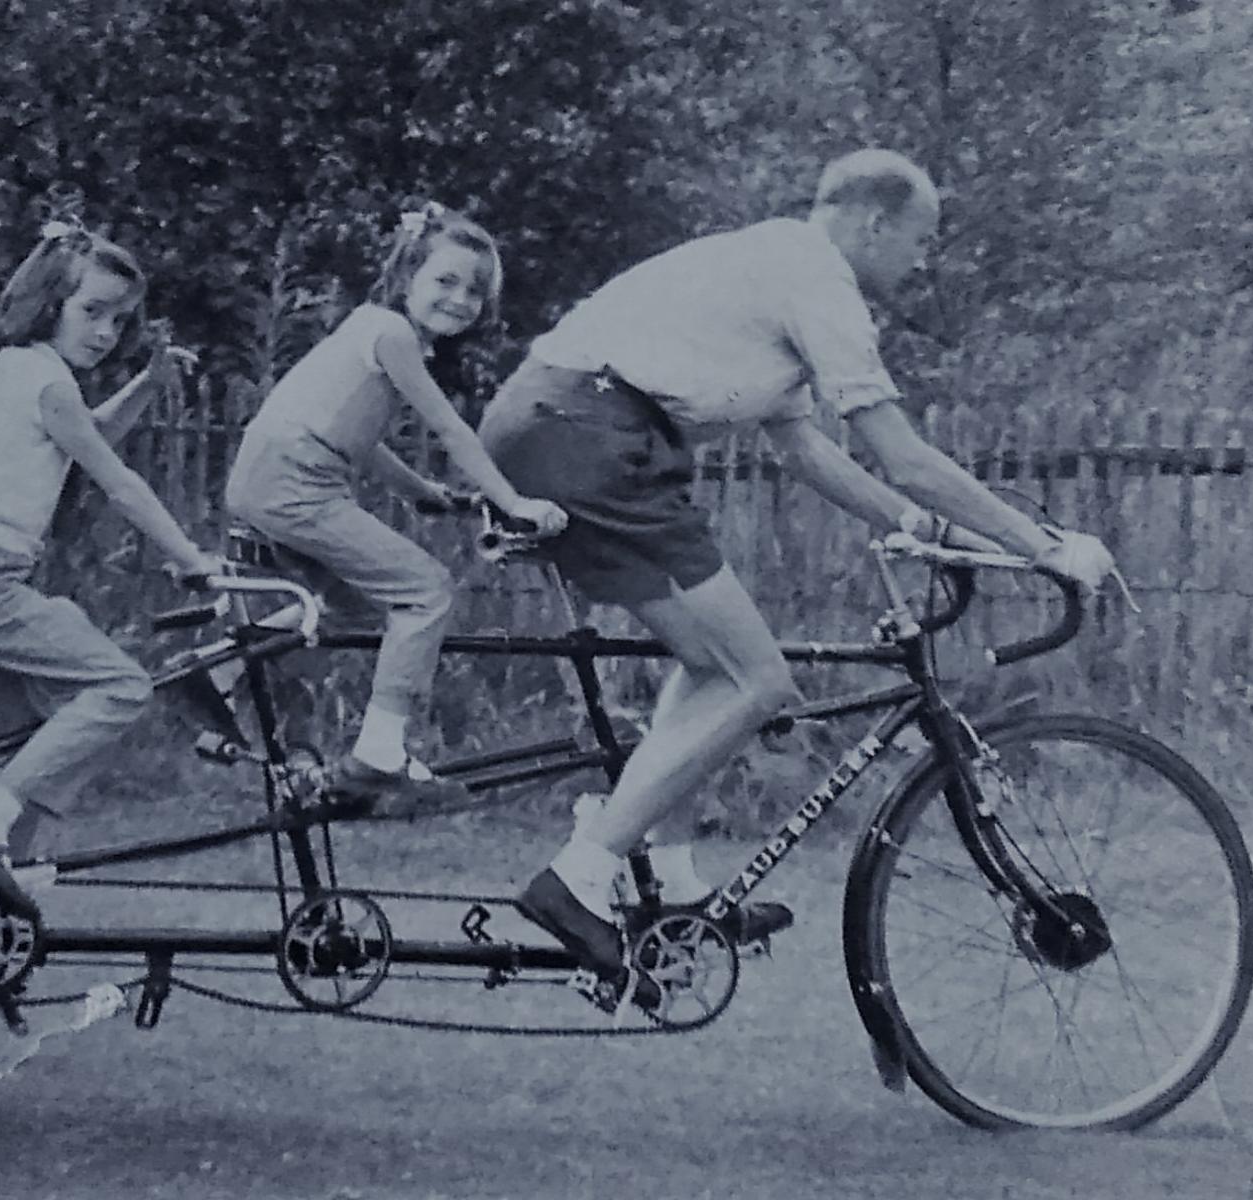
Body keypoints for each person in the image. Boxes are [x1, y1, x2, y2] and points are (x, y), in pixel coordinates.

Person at [477, 149, 1116, 995]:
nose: (923, 260)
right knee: (761, 682)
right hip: (590, 436)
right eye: (921, 238)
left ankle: (669, 876)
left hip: (555, 423)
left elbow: (807, 450)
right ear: (872, 221)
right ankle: (581, 877)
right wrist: (1043, 544)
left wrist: (920, 529)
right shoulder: (817, 280)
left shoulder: (774, 262)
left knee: (714, 665)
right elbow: (903, 455)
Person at [0, 220, 223, 920]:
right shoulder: (47, 381)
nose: (104, 333)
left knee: (34, 711)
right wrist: (191, 560)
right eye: (90, 312)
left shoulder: (17, 369)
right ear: (49, 304)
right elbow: (117, 479)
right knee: (121, 686)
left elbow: (82, 441)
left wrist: (148, 382)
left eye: (119, 320)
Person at [224, 203, 569, 811]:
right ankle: (379, 757)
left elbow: (359, 436)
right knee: (425, 591)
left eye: (476, 290)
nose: (461, 299)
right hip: (295, 480)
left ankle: (219, 674)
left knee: (350, 608)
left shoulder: (371, 329)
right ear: (407, 271)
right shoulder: (393, 336)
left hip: (280, 472)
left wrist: (420, 493)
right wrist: (512, 502)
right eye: (445, 280)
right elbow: (451, 430)